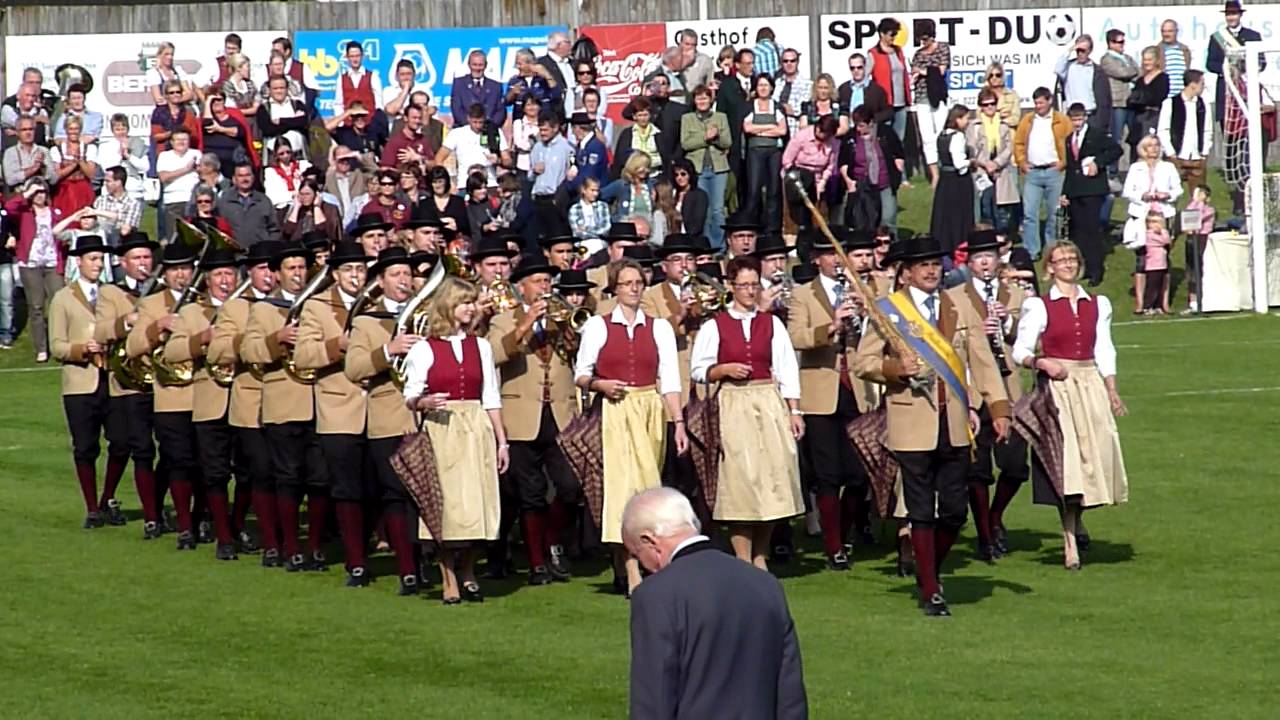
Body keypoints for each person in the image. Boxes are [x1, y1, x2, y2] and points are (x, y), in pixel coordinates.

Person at [854, 234, 1011, 616]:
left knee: (955, 511)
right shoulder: (888, 311)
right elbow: (863, 363)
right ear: (905, 274)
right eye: (922, 265)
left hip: (954, 423)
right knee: (921, 510)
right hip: (912, 423)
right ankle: (930, 590)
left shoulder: (957, 307)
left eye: (934, 264)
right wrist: (894, 369)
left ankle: (930, 571)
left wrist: (999, 406)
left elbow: (981, 359)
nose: (930, 270)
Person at [623, 488, 808, 720]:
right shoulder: (765, 584)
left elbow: (653, 699)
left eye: (637, 555)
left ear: (649, 541)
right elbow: (789, 691)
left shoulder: (655, 595)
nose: (644, 566)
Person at [571, 259, 687, 595]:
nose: (634, 288)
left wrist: (677, 421)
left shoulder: (659, 327)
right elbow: (581, 373)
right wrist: (601, 385)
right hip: (617, 411)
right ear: (615, 288)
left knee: (649, 491)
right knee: (624, 492)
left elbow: (670, 381)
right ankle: (629, 569)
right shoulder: (599, 326)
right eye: (627, 283)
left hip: (649, 408)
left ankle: (650, 564)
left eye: (639, 282)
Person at [1011, 241, 1128, 571]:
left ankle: (1079, 522)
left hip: (1089, 382)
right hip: (1059, 387)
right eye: (1060, 260)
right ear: (1049, 267)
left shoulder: (1097, 303)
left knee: (1098, 455)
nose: (1067, 264)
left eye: (1072, 259)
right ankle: (1069, 541)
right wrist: (1042, 363)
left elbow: (1104, 347)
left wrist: (1112, 389)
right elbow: (1020, 351)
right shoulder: (1039, 306)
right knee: (1069, 464)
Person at [689, 255, 804, 569]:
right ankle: (742, 557)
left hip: (768, 401)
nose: (750, 291)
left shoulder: (771, 324)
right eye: (744, 286)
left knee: (771, 480)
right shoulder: (715, 325)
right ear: (731, 286)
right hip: (734, 402)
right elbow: (698, 369)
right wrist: (722, 369)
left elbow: (787, 368)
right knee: (741, 481)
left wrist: (795, 410)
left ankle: (760, 555)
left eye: (755, 285)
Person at [401, 277, 509, 604]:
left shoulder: (482, 346)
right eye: (464, 302)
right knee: (448, 506)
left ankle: (468, 570)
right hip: (443, 427)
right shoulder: (424, 348)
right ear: (449, 305)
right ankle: (448, 574)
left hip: (476, 426)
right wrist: (424, 402)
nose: (471, 308)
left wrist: (502, 441)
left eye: (472, 302)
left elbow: (491, 396)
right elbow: (410, 394)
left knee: (478, 503)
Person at [786, 229, 887, 570]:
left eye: (841, 254)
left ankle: (843, 532)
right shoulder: (802, 294)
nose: (837, 261)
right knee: (828, 474)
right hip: (820, 393)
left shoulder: (863, 290)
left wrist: (867, 310)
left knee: (859, 475)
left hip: (857, 388)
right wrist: (831, 327)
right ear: (817, 259)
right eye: (830, 254)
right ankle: (833, 546)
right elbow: (795, 337)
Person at [487, 255, 583, 584]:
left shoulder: (562, 318)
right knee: (529, 493)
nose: (545, 286)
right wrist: (526, 322)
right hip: (521, 415)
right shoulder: (503, 319)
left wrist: (570, 327)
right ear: (521, 287)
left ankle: (551, 540)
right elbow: (494, 354)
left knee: (570, 487)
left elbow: (581, 353)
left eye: (547, 281)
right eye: (538, 281)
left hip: (559, 414)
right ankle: (537, 562)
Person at [241, 242, 330, 570]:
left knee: (320, 479)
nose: (298, 274)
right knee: (288, 477)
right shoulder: (264, 310)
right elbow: (249, 352)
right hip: (283, 403)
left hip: (319, 402)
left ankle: (316, 545)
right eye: (291, 269)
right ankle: (290, 545)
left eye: (302, 268)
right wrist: (277, 338)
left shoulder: (317, 306)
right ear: (277, 274)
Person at [943, 229, 1029, 560]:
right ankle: (984, 533)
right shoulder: (955, 297)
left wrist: (1007, 326)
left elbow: (1028, 342)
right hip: (973, 389)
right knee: (977, 469)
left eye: (989, 257)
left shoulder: (1016, 294)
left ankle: (996, 516)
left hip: (1007, 386)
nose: (984, 263)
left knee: (1015, 464)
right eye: (978, 258)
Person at [162, 247, 251, 559]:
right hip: (209, 400)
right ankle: (223, 537)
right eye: (218, 275)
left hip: (244, 400)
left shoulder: (248, 308)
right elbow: (170, 354)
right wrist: (202, 339)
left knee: (248, 471)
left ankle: (237, 524)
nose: (225, 281)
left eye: (230, 274)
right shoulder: (191, 312)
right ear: (207, 280)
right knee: (214, 473)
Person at [50, 235, 129, 528]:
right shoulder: (63, 298)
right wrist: (82, 348)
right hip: (80, 384)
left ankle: (108, 496)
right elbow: (56, 345)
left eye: (101, 259)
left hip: (114, 379)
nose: (98, 264)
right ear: (79, 261)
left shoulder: (113, 294)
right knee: (85, 446)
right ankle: (92, 506)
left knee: (121, 442)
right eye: (93, 259)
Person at [125, 242, 200, 549]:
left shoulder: (204, 301)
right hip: (170, 395)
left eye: (186, 269)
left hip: (206, 394)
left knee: (206, 464)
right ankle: (184, 524)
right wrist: (157, 327)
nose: (182, 275)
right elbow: (132, 347)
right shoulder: (152, 304)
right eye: (175, 270)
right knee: (178, 461)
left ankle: (201, 518)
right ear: (165, 275)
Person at [208, 241, 280, 560]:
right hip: (250, 402)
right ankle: (260, 539)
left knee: (283, 474)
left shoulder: (291, 303)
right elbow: (217, 351)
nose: (267, 275)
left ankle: (245, 527)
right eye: (261, 268)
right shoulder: (236, 307)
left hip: (289, 398)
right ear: (249, 272)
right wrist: (251, 339)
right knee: (257, 472)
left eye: (271, 268)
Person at [93, 233, 162, 536]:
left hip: (161, 380)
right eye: (137, 258)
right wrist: (129, 320)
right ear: (123, 263)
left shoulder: (161, 291)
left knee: (172, 450)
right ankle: (148, 515)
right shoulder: (111, 292)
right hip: (126, 382)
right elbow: (101, 330)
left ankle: (153, 506)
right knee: (134, 447)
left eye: (147, 257)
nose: (143, 263)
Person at [1060, 103, 1122, 286]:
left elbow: (1116, 150)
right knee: (1078, 232)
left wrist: (1098, 163)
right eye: (1074, 119)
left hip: (1093, 190)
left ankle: (1096, 269)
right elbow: (1071, 169)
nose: (1077, 123)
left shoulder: (1096, 135)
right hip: (1076, 191)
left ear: (1085, 118)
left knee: (1091, 231)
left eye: (1080, 119)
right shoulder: (1069, 139)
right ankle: (1084, 267)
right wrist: (1065, 193)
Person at [6, 179, 65, 362]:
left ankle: (59, 344)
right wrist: (27, 192)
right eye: (36, 192)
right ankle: (41, 347)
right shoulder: (24, 213)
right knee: (36, 306)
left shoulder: (55, 212)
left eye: (42, 192)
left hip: (52, 263)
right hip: (30, 264)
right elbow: (9, 207)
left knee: (58, 303)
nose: (40, 195)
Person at [1122, 135, 1181, 313]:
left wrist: (1167, 195)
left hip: (1163, 214)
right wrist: (1142, 195)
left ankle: (1163, 303)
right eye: (1149, 146)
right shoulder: (1136, 167)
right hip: (1142, 215)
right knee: (1141, 261)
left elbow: (1178, 189)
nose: (1154, 149)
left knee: (1164, 259)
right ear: (1143, 149)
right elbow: (1127, 191)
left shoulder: (1168, 167)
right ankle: (1141, 303)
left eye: (1156, 145)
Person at [1014, 87, 1071, 260]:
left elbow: (1070, 144)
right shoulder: (1028, 120)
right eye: (1035, 103)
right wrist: (1022, 162)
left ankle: (1052, 249)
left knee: (1054, 214)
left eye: (1041, 102)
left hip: (1054, 172)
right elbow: (1018, 143)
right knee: (1030, 213)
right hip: (1033, 173)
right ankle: (1032, 250)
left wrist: (1063, 162)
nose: (1038, 106)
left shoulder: (1062, 120)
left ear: (1049, 100)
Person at [680, 87, 731, 250]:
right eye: (699, 98)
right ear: (694, 101)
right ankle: (704, 245)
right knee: (703, 209)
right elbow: (686, 143)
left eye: (705, 98)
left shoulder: (721, 117)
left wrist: (716, 137)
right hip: (698, 169)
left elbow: (727, 142)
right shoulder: (687, 118)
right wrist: (705, 137)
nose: (702, 101)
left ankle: (719, 246)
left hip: (718, 169)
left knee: (717, 209)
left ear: (711, 100)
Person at [842, 105, 905, 236]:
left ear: (871, 123)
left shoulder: (886, 133)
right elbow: (843, 162)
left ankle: (890, 246)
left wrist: (897, 173)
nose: (858, 129)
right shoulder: (850, 137)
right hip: (861, 185)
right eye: (857, 125)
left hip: (884, 182)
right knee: (863, 220)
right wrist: (849, 182)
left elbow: (898, 154)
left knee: (887, 218)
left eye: (861, 126)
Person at [968, 89, 1018, 234]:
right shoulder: (975, 126)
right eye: (985, 104)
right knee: (985, 207)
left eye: (992, 104)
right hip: (982, 171)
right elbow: (972, 149)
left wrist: (996, 163)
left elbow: (1009, 147)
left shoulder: (1003, 125)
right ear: (981, 107)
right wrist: (986, 164)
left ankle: (1003, 237)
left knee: (1002, 209)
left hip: (1001, 171)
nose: (990, 107)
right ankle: (986, 235)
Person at [1157, 70, 1213, 198]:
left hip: (1197, 158)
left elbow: (1207, 130)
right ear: (1193, 84)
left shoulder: (1203, 104)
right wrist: (1171, 154)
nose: (1203, 87)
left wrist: (1204, 154)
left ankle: (1198, 217)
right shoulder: (1170, 103)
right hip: (1177, 156)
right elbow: (1163, 130)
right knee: (1170, 195)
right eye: (1201, 83)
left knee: (1199, 197)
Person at [1206, 0, 1262, 126]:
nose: (1231, 17)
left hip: (1247, 87)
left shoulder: (1253, 36)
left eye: (1234, 14)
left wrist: (1244, 69)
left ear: (1240, 15)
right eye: (1228, 14)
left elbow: (1261, 62)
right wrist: (1229, 70)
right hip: (1226, 89)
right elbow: (1210, 63)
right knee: (1227, 131)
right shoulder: (1217, 37)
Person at [743, 74, 787, 234]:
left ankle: (772, 230)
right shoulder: (749, 106)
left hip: (774, 152)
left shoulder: (777, 107)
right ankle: (751, 228)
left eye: (766, 85)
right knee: (754, 190)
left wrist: (759, 130)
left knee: (773, 191)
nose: (763, 88)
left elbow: (782, 130)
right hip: (755, 152)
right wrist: (770, 128)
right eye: (760, 85)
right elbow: (747, 128)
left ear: (771, 88)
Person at [910, 20, 952, 185]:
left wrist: (921, 71)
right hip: (921, 98)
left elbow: (941, 70)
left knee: (940, 133)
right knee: (927, 138)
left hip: (938, 96)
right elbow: (914, 76)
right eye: (921, 39)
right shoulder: (918, 54)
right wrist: (917, 74)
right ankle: (934, 174)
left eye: (926, 38)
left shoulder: (942, 48)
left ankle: (945, 169)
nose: (923, 42)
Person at [714, 50, 755, 206]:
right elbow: (721, 113)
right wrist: (722, 141)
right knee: (736, 179)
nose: (751, 67)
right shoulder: (728, 86)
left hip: (754, 140)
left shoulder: (759, 82)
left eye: (752, 63)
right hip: (735, 140)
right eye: (747, 63)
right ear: (737, 65)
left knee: (753, 181)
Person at [436, 103, 509, 189]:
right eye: (475, 122)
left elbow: (508, 160)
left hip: (490, 184)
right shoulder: (456, 133)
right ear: (468, 119)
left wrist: (498, 160)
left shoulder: (495, 132)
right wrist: (449, 183)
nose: (478, 126)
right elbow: (439, 159)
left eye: (481, 122)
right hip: (464, 184)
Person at [1054, 35, 1112, 134]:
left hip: (1090, 116)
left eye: (1083, 50)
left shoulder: (1096, 70)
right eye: (1078, 51)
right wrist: (1070, 50)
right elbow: (1058, 69)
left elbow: (1104, 98)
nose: (1080, 53)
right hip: (1071, 116)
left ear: (1090, 51)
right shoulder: (1069, 67)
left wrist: (1102, 121)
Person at [529, 110, 574, 236]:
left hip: (555, 200)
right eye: (540, 130)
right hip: (538, 199)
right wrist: (534, 171)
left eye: (545, 130)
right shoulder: (537, 147)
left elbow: (572, 173)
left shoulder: (566, 147)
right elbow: (529, 177)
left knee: (557, 237)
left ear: (555, 128)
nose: (542, 133)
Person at [867, 18, 912, 145]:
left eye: (895, 34)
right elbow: (865, 78)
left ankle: (898, 164)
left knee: (899, 140)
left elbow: (903, 73)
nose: (894, 37)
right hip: (884, 104)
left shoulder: (898, 51)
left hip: (901, 103)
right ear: (882, 34)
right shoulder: (873, 54)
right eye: (892, 34)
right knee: (884, 139)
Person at [217, 163, 281, 249]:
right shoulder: (224, 202)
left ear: (253, 177)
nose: (245, 179)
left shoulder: (264, 201)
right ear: (234, 179)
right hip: (235, 255)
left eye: (248, 175)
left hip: (261, 255)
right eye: (240, 176)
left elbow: (275, 229)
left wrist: (269, 248)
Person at [49, 115, 97, 219]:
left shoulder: (89, 148)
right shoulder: (57, 149)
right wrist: (74, 165)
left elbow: (91, 174)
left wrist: (80, 161)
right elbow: (58, 174)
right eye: (71, 128)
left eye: (76, 129)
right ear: (66, 129)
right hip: (64, 191)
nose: (73, 132)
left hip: (83, 190)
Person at [1100, 30, 1140, 153]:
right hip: (1118, 103)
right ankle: (1113, 169)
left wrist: (1132, 71)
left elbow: (1140, 74)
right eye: (1119, 42)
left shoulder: (1127, 58)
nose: (1122, 44)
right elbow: (1121, 73)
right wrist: (1132, 71)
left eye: (1123, 42)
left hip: (1132, 102)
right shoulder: (1106, 59)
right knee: (1116, 137)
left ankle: (1134, 164)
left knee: (1135, 136)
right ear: (1110, 43)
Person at [94, 115, 149, 201]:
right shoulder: (105, 147)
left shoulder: (138, 143)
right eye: (117, 130)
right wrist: (120, 153)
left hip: (133, 190)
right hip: (111, 191)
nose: (121, 132)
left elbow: (145, 167)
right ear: (113, 131)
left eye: (123, 129)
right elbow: (107, 168)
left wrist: (128, 155)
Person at [612, 97, 667, 183]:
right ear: (634, 116)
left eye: (645, 115)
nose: (643, 118)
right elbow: (619, 160)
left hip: (654, 177)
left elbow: (665, 159)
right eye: (640, 115)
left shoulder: (659, 134)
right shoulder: (627, 134)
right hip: (632, 179)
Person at [257, 76, 309, 162]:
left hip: (298, 154)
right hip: (274, 157)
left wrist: (281, 121)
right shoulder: (264, 108)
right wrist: (294, 122)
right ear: (269, 90)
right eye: (275, 88)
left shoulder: (297, 104)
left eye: (282, 88)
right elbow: (268, 130)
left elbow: (304, 122)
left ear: (287, 89)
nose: (279, 91)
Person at [1182, 185, 1216, 314]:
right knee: (1191, 270)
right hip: (1191, 238)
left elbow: (1197, 217)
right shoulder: (1193, 206)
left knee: (1200, 269)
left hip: (1202, 238)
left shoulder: (1210, 210)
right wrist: (1195, 201)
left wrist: (1199, 202)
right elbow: (1188, 216)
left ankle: (1202, 300)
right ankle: (1193, 302)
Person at [2, 115, 55, 192]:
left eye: (31, 129)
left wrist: (43, 168)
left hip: (41, 196)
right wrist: (32, 169)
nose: (28, 133)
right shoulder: (10, 153)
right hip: (20, 197)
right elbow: (10, 180)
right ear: (17, 132)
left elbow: (54, 180)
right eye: (24, 130)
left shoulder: (44, 151)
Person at [837, 53, 892, 127]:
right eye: (852, 68)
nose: (856, 71)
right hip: (848, 129)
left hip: (869, 130)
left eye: (859, 67)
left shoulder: (877, 90)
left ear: (865, 67)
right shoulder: (843, 89)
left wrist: (871, 119)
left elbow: (888, 112)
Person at [92, 166, 143, 245]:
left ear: (118, 182)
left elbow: (125, 231)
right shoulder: (100, 200)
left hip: (121, 243)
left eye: (108, 181)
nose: (105, 184)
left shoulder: (133, 204)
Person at [150, 81, 202, 156]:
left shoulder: (189, 112)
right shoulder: (159, 112)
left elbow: (194, 135)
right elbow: (156, 136)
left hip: (185, 153)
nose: (175, 95)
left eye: (178, 92)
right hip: (165, 152)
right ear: (166, 95)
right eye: (172, 93)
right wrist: (173, 134)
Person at [333, 41, 383, 116]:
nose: (355, 59)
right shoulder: (341, 79)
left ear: (362, 56)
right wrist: (341, 122)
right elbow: (338, 104)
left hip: (369, 122)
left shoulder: (373, 77)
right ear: (347, 57)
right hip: (348, 123)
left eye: (357, 56)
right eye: (352, 56)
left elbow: (379, 103)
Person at [774, 48, 813, 137]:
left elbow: (804, 109)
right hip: (778, 133)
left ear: (797, 62)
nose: (789, 64)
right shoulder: (776, 83)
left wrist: (788, 109)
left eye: (792, 61)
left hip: (796, 132)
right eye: (785, 61)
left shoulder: (807, 84)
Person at [539, 31, 577, 120]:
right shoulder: (542, 64)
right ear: (558, 45)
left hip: (574, 113)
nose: (571, 46)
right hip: (555, 114)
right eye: (568, 42)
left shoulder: (572, 63)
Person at [146, 42, 197, 106]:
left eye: (171, 54)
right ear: (159, 55)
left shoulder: (178, 71)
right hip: (164, 111)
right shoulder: (153, 73)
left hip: (181, 109)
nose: (170, 57)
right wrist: (179, 97)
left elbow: (189, 94)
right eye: (166, 54)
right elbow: (158, 99)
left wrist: (173, 100)